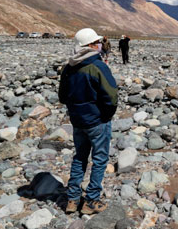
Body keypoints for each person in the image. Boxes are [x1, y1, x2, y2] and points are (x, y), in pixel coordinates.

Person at [58, 28, 118, 215]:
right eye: (97, 42)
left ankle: (73, 199)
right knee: (99, 159)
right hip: (97, 121)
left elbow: (62, 96)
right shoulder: (98, 66)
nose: (99, 44)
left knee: (79, 157)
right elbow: (111, 96)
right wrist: (106, 115)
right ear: (92, 45)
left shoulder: (69, 67)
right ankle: (91, 200)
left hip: (77, 121)